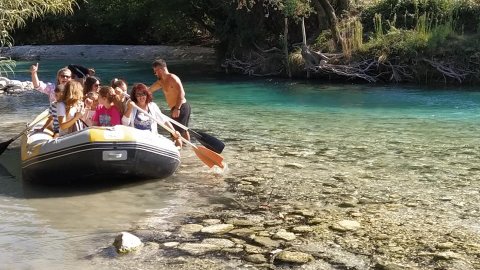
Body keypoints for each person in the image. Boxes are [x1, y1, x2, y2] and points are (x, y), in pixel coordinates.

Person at [149, 59, 191, 141]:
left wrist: (177, 108)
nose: (155, 74)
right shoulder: (161, 82)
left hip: (181, 107)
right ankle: (187, 150)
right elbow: (149, 90)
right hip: (176, 108)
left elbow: (182, 93)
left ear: (160, 70)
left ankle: (179, 150)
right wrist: (136, 93)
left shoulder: (173, 78)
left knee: (175, 133)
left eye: (155, 72)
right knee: (183, 130)